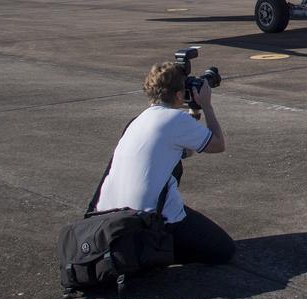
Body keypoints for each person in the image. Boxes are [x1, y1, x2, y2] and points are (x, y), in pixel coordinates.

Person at [95, 63, 234, 265]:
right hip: (146, 221)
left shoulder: (139, 119)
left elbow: (186, 151)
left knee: (175, 166)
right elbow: (218, 145)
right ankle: (154, 251)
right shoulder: (174, 119)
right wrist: (206, 105)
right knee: (223, 249)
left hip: (109, 217)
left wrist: (193, 113)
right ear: (179, 95)